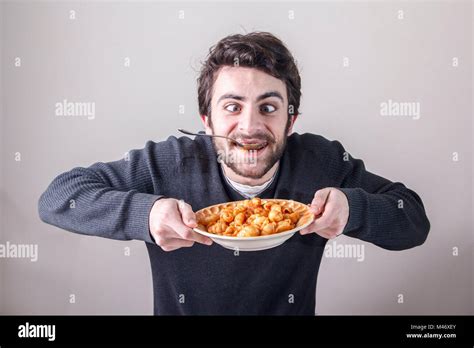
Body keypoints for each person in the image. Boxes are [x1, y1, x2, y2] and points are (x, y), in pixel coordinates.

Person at [38, 32, 430, 315]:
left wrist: (353, 209)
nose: (249, 127)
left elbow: (413, 221)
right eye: (232, 106)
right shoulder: (167, 162)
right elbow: (58, 196)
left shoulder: (320, 162)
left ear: (291, 120)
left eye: (269, 107)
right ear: (206, 120)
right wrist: (146, 214)